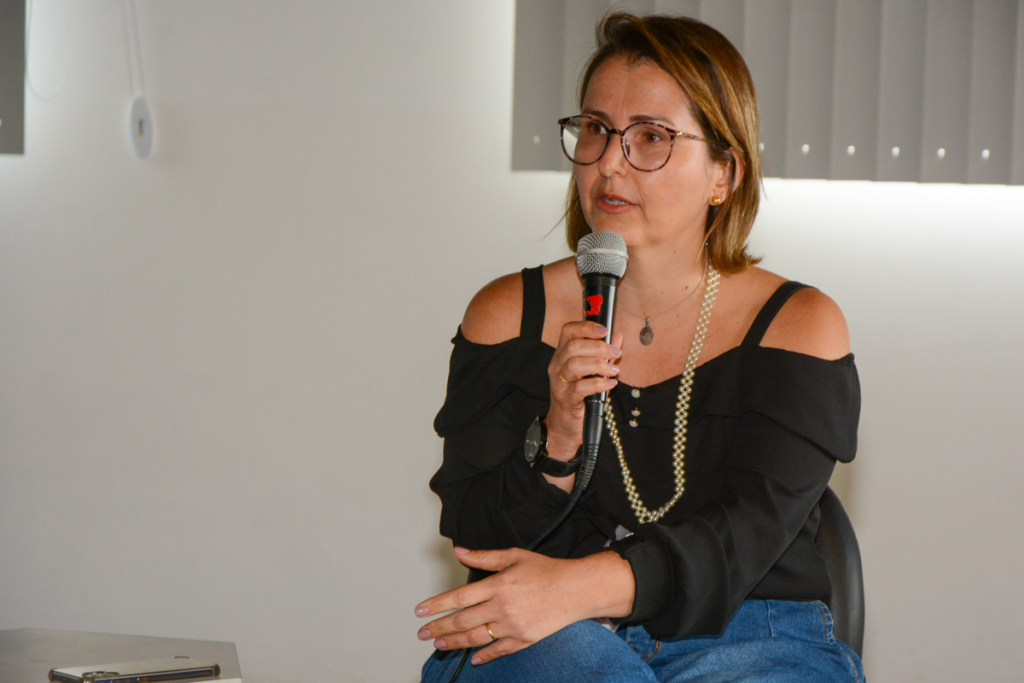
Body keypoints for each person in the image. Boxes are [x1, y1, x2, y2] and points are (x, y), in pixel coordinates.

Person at [416, 12, 864, 683]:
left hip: (750, 637)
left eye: (650, 137)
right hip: (553, 640)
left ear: (724, 173)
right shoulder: (507, 315)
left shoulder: (798, 326)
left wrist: (579, 585)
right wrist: (558, 437)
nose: (607, 163)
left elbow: (744, 534)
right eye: (596, 129)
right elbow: (477, 534)